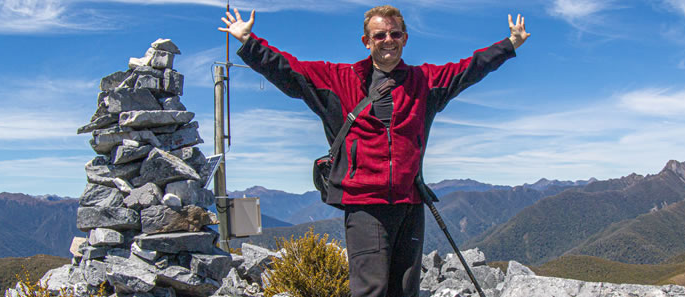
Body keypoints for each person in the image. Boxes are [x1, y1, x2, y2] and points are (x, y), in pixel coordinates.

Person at [219, 5, 529, 297]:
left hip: (410, 203)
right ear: (367, 41)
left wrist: (510, 44)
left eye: (395, 34)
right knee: (372, 290)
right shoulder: (339, 80)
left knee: (406, 289)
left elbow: (470, 68)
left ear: (404, 38)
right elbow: (290, 71)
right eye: (380, 35)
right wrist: (249, 42)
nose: (388, 41)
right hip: (365, 205)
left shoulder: (425, 82)